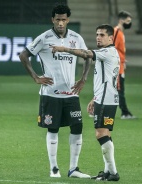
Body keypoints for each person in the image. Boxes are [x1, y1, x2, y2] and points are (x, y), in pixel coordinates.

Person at [19, 3, 91, 179]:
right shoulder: (44, 38)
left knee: (77, 127)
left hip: (71, 93)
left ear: (68, 20)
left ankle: (73, 169)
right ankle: (54, 169)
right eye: (57, 19)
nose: (60, 23)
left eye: (63, 20)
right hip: (50, 93)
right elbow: (24, 55)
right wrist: (36, 77)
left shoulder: (76, 37)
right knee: (53, 129)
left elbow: (88, 56)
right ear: (53, 19)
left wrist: (83, 79)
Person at [51, 24, 121, 181]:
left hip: (106, 99)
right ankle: (108, 171)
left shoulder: (106, 52)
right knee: (106, 134)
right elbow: (106, 80)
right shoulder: (111, 52)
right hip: (106, 97)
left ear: (111, 38)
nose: (98, 37)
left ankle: (113, 172)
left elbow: (86, 54)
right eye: (97, 34)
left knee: (100, 134)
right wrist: (94, 98)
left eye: (102, 35)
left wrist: (64, 49)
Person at [113, 10, 136, 119]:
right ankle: (125, 113)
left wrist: (123, 60)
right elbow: (111, 49)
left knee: (114, 89)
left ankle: (94, 109)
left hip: (120, 66)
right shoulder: (116, 32)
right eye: (128, 21)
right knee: (119, 90)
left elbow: (118, 50)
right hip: (116, 67)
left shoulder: (121, 33)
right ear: (121, 20)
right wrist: (118, 61)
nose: (129, 23)